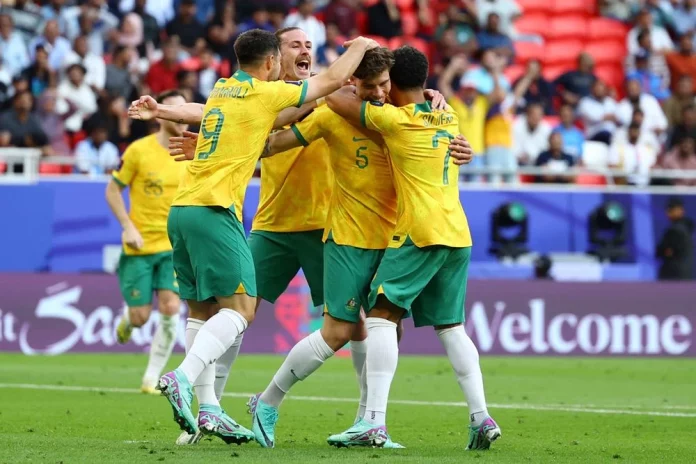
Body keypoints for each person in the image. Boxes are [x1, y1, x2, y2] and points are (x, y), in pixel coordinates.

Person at [168, 49, 475, 449]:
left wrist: (459, 139)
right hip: (344, 237)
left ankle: (370, 421)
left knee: (384, 327)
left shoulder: (407, 114)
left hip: (395, 238)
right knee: (331, 328)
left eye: (385, 85)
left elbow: (440, 140)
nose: (380, 93)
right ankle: (242, 405)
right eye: (371, 86)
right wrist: (216, 147)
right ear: (353, 84)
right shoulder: (332, 113)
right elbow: (273, 143)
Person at [128, 29, 380, 445]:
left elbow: (212, 112)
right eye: (294, 45)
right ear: (273, 59)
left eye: (308, 45)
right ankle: (198, 392)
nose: (304, 50)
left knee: (348, 323)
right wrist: (361, 44)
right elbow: (319, 92)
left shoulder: (235, 90)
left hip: (318, 223)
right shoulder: (274, 93)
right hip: (262, 223)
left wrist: (169, 113)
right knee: (237, 311)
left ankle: (367, 417)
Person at [323, 46, 500, 450]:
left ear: (392, 82)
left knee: (382, 315)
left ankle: (373, 421)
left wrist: (350, 73)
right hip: (457, 233)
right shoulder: (448, 114)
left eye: (384, 82)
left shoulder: (394, 120)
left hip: (419, 231)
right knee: (451, 326)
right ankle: (480, 416)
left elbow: (333, 96)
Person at [106, 91, 188, 395]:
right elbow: (112, 191)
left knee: (170, 307)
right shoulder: (139, 151)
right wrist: (127, 227)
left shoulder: (191, 151)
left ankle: (151, 380)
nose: (183, 118)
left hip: (173, 247)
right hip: (139, 247)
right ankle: (128, 320)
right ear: (162, 115)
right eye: (177, 112)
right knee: (141, 317)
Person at [656, 197, 694, 280]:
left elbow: (666, 251)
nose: (668, 213)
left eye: (671, 209)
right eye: (668, 209)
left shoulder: (675, 230)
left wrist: (664, 251)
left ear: (681, 210)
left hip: (673, 276)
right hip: (685, 275)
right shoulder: (685, 228)